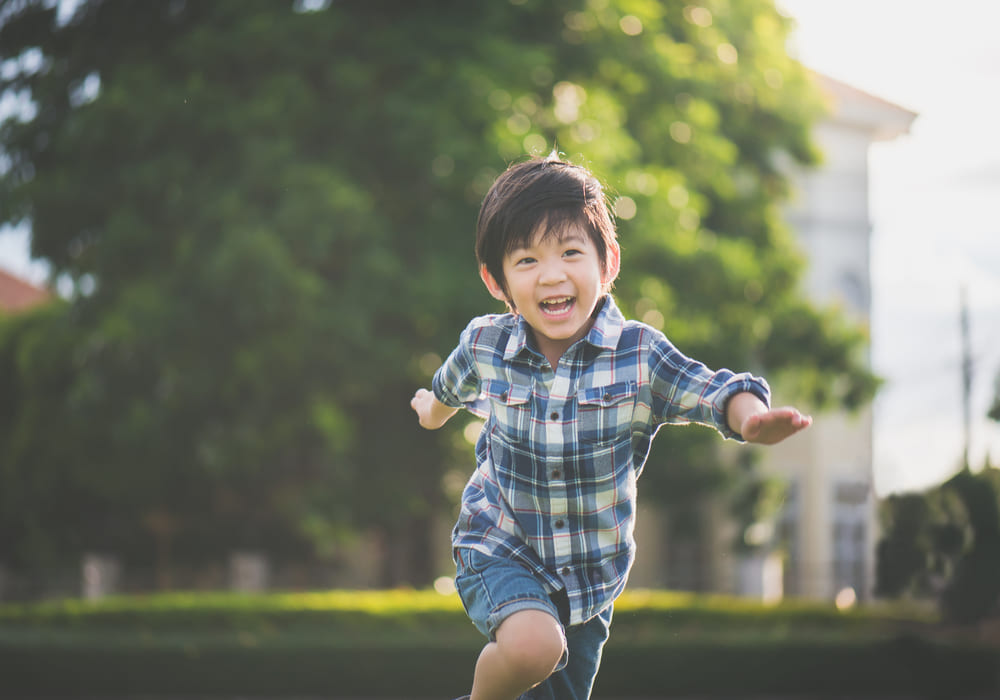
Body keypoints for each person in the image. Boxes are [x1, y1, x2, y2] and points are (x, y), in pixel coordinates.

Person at [410, 155, 812, 700]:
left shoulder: (639, 355)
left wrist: (752, 419)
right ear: (495, 279)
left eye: (571, 252)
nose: (552, 275)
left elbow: (714, 389)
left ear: (608, 262)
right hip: (499, 542)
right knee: (532, 647)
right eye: (527, 260)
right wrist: (430, 412)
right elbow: (446, 389)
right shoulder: (486, 345)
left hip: (588, 580)